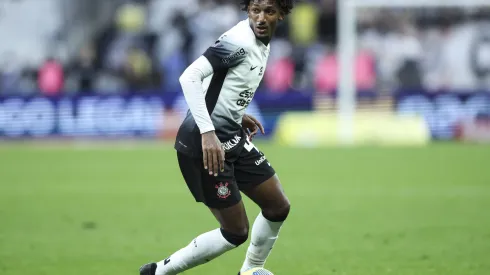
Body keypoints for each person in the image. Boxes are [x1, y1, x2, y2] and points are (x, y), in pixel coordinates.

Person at [139, 1, 294, 274]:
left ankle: (250, 271)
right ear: (247, 9)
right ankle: (159, 272)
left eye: (268, 11)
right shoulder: (240, 41)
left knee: (277, 206)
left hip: (231, 135)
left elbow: (224, 82)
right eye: (254, 10)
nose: (260, 17)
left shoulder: (260, 43)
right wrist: (208, 132)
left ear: (281, 14)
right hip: (204, 145)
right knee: (236, 231)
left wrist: (235, 113)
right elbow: (190, 77)